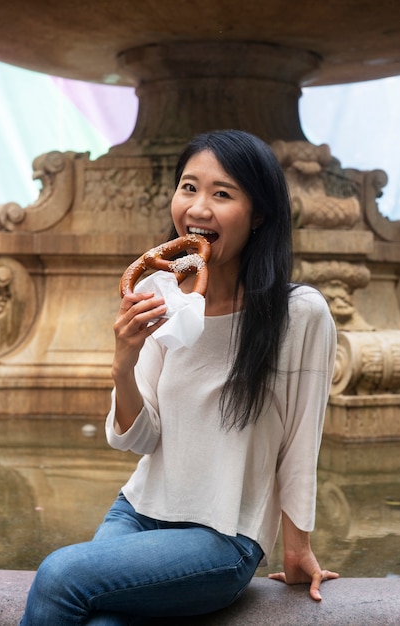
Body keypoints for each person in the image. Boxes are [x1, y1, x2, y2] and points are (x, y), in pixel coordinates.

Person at [20, 129, 339, 625]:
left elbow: (302, 442)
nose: (198, 208)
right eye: (189, 187)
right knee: (103, 621)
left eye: (222, 193)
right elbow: (140, 438)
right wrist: (123, 361)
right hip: (137, 511)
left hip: (222, 538)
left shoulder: (300, 313)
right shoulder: (162, 292)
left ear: (258, 215)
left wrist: (297, 548)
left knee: (60, 574)